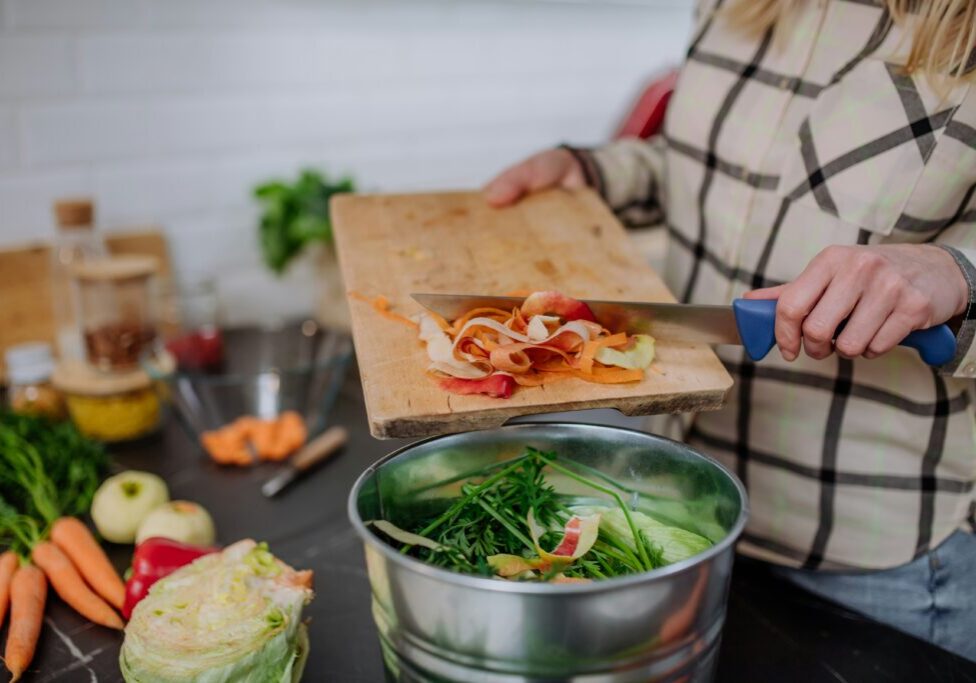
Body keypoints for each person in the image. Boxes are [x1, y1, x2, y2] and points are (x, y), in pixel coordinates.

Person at [485, 0, 976, 662]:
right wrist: (597, 174)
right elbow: (704, 166)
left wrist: (954, 272)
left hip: (875, 567)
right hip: (668, 504)